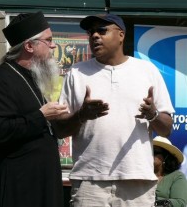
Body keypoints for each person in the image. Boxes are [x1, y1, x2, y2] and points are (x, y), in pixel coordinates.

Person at [56, 13, 175, 207]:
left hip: (137, 180)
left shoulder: (147, 71)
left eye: (102, 30)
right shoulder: (76, 73)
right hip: (90, 180)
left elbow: (166, 129)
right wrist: (81, 115)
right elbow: (60, 130)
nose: (94, 35)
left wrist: (153, 114)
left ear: (121, 35)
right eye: (91, 31)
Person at [0, 11, 69, 207]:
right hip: (16, 188)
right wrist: (41, 116)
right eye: (48, 40)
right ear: (29, 46)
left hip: (40, 185)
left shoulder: (33, 78)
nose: (54, 45)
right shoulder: (0, 80)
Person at [153, 136, 187, 207]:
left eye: (155, 152)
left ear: (166, 157)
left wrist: (152, 201)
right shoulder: (140, 175)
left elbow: (180, 203)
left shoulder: (177, 176)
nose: (150, 154)